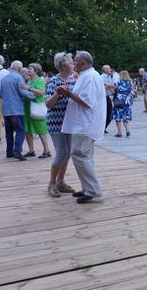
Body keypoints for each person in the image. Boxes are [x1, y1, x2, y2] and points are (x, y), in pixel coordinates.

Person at [58, 51, 105, 204]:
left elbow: (87, 102)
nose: (73, 64)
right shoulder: (87, 75)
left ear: (83, 63)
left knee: (80, 155)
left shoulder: (90, 77)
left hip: (86, 124)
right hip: (84, 124)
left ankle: (93, 190)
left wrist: (68, 93)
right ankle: (87, 188)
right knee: (84, 156)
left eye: (76, 61)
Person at [44, 52, 77, 198]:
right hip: (56, 122)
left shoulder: (73, 80)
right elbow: (48, 104)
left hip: (69, 122)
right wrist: (58, 93)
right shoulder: (54, 81)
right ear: (63, 66)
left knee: (68, 152)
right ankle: (51, 184)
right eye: (71, 63)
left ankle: (61, 182)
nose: (73, 65)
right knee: (61, 152)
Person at [0, 61, 36, 161]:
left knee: (9, 132)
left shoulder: (4, 78)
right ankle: (17, 151)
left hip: (6, 109)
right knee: (21, 130)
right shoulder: (18, 77)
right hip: (17, 109)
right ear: (20, 68)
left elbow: (0, 94)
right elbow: (23, 91)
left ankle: (9, 152)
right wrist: (35, 95)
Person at [22, 63, 51, 158]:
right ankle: (31, 151)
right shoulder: (29, 80)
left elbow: (41, 93)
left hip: (37, 108)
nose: (28, 70)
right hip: (28, 108)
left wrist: (29, 88)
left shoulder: (40, 80)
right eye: (28, 68)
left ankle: (47, 151)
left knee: (40, 130)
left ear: (36, 71)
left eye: (30, 69)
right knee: (28, 130)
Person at [112, 70, 133, 137]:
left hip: (119, 101)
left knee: (118, 117)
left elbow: (113, 89)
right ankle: (128, 131)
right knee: (125, 117)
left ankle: (119, 132)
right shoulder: (130, 82)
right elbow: (132, 91)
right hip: (127, 101)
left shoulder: (118, 82)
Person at [101, 65, 115, 134]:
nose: (110, 70)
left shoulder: (109, 76)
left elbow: (112, 86)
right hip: (103, 97)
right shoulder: (101, 77)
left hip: (107, 96)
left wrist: (107, 86)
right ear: (105, 70)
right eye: (109, 68)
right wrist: (108, 86)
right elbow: (103, 86)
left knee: (110, 113)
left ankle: (104, 127)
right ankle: (102, 128)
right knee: (104, 113)